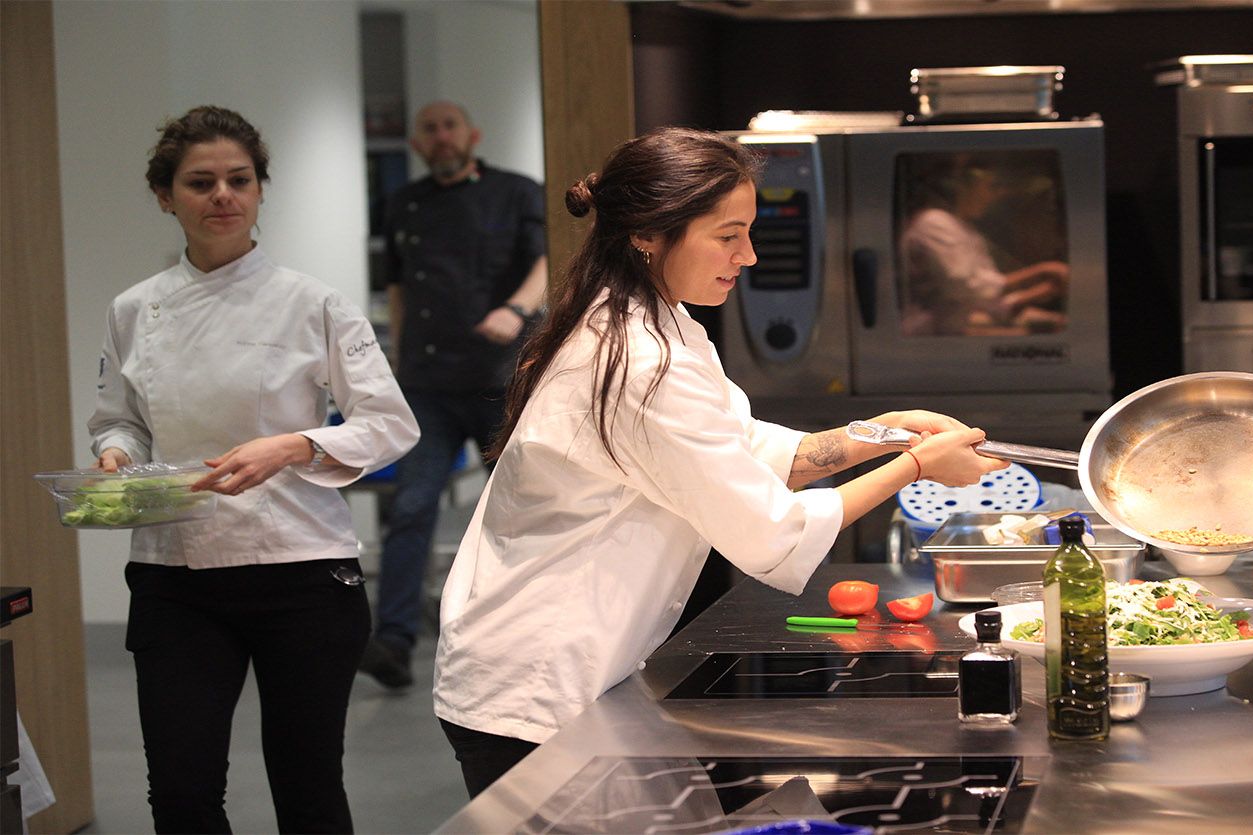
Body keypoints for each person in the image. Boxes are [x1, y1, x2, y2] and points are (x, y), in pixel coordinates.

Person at [431, 126, 1009, 798]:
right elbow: (772, 528)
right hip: (532, 683)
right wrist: (916, 466)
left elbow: (750, 454)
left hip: (576, 665)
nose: (750, 255)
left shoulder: (665, 325)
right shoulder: (636, 361)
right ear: (648, 233)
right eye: (728, 235)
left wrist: (881, 432)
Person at [87, 105, 419, 833]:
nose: (222, 196)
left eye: (239, 179)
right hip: (175, 574)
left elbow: (390, 424)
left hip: (301, 571)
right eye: (200, 182)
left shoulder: (315, 304)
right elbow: (122, 417)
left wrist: (293, 445)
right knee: (181, 791)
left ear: (261, 190)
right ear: (165, 196)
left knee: (307, 789)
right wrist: (116, 456)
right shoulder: (134, 309)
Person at [360, 100, 548, 689]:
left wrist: (517, 309)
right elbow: (398, 288)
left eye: (449, 127)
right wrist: (395, 361)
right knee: (412, 508)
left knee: (521, 511)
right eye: (429, 130)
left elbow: (548, 262)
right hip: (427, 384)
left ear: (472, 134)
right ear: (417, 143)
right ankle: (392, 641)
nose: (440, 138)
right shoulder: (403, 205)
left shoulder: (518, 192)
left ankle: (520, 635)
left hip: (502, 379)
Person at [898, 155, 1070, 336]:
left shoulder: (968, 231)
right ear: (962, 187)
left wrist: (1042, 294)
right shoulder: (934, 222)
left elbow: (986, 304)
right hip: (927, 338)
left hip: (952, 333)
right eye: (991, 187)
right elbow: (964, 287)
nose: (995, 197)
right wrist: (1041, 271)